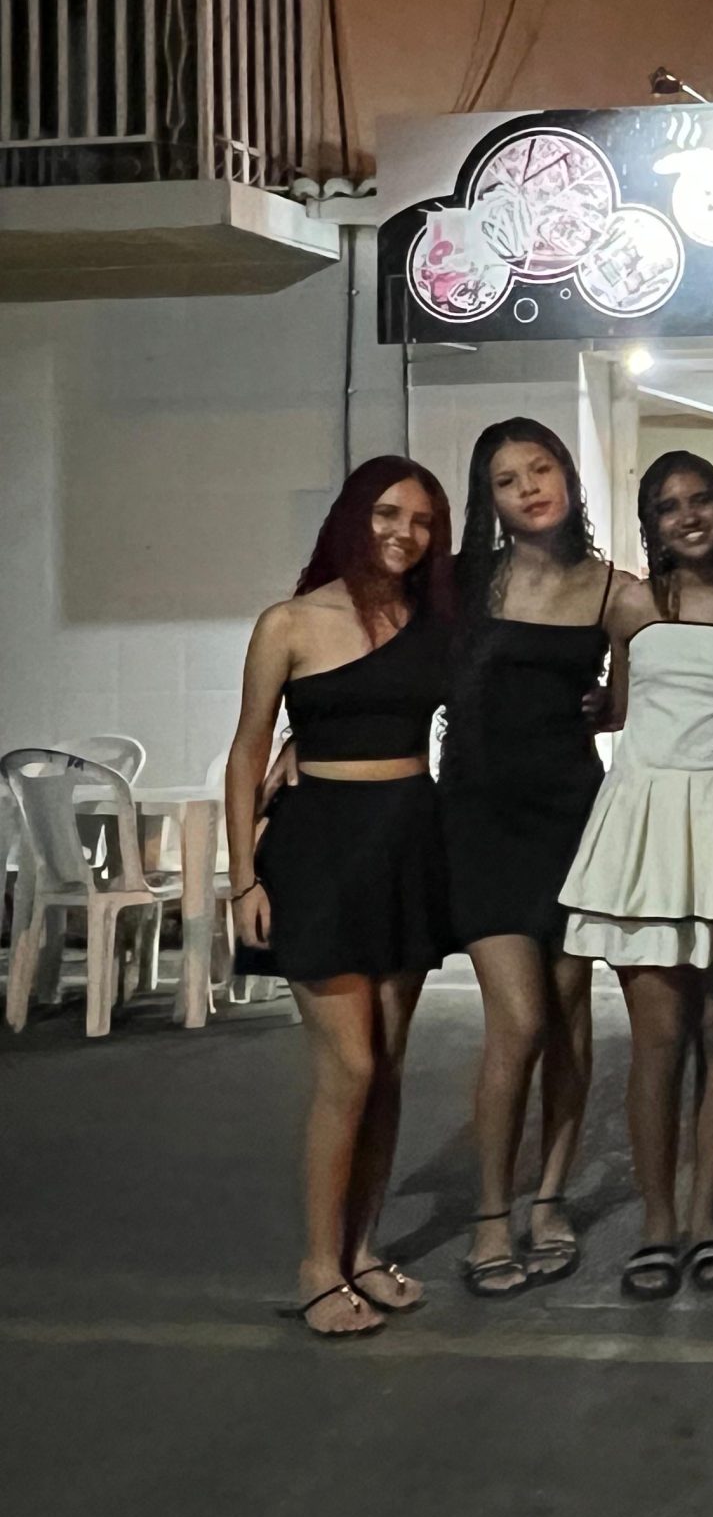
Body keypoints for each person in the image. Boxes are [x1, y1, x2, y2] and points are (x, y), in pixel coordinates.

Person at [224, 457, 456, 1337]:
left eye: (423, 521)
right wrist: (242, 877)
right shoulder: (288, 622)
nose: (405, 533)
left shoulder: (432, 619)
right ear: (355, 515)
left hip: (408, 841)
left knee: (387, 1068)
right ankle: (317, 1267)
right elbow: (248, 750)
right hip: (318, 850)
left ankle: (360, 1249)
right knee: (349, 1066)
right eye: (389, 514)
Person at [559, 452, 713, 1298]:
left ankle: (705, 1220)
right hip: (647, 825)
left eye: (701, 501)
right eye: (667, 506)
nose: (687, 516)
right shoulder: (630, 605)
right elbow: (618, 705)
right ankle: (657, 1225)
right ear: (651, 524)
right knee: (658, 1041)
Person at [443, 419, 627, 1299]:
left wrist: (608, 698)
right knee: (517, 1021)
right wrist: (299, 736)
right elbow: (389, 660)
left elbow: (633, 694)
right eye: (508, 480)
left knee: (568, 1015)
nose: (529, 488)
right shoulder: (464, 582)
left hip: (570, 815)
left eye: (541, 468)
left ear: (567, 476)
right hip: (479, 819)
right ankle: (490, 1215)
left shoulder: (610, 589)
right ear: (490, 500)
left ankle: (549, 1198)